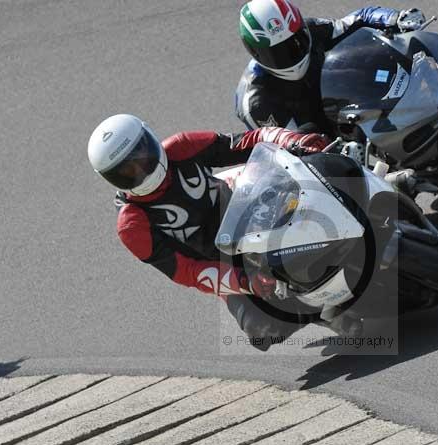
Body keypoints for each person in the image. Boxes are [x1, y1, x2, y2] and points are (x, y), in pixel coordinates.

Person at [87, 114, 327, 348]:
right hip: (219, 260)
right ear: (111, 179)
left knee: (306, 133)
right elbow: (186, 271)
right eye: (127, 172)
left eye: (141, 156)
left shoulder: (181, 147)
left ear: (150, 138)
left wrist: (293, 141)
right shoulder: (132, 225)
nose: (141, 171)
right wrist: (246, 281)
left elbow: (251, 140)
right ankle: (324, 312)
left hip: (245, 209)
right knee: (263, 331)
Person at [235, 1, 426, 132]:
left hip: (339, 102)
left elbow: (360, 18)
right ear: (255, 52)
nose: (291, 54)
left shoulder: (310, 30)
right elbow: (286, 151)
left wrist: (394, 18)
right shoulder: (255, 103)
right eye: (278, 53)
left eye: (295, 42)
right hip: (314, 149)